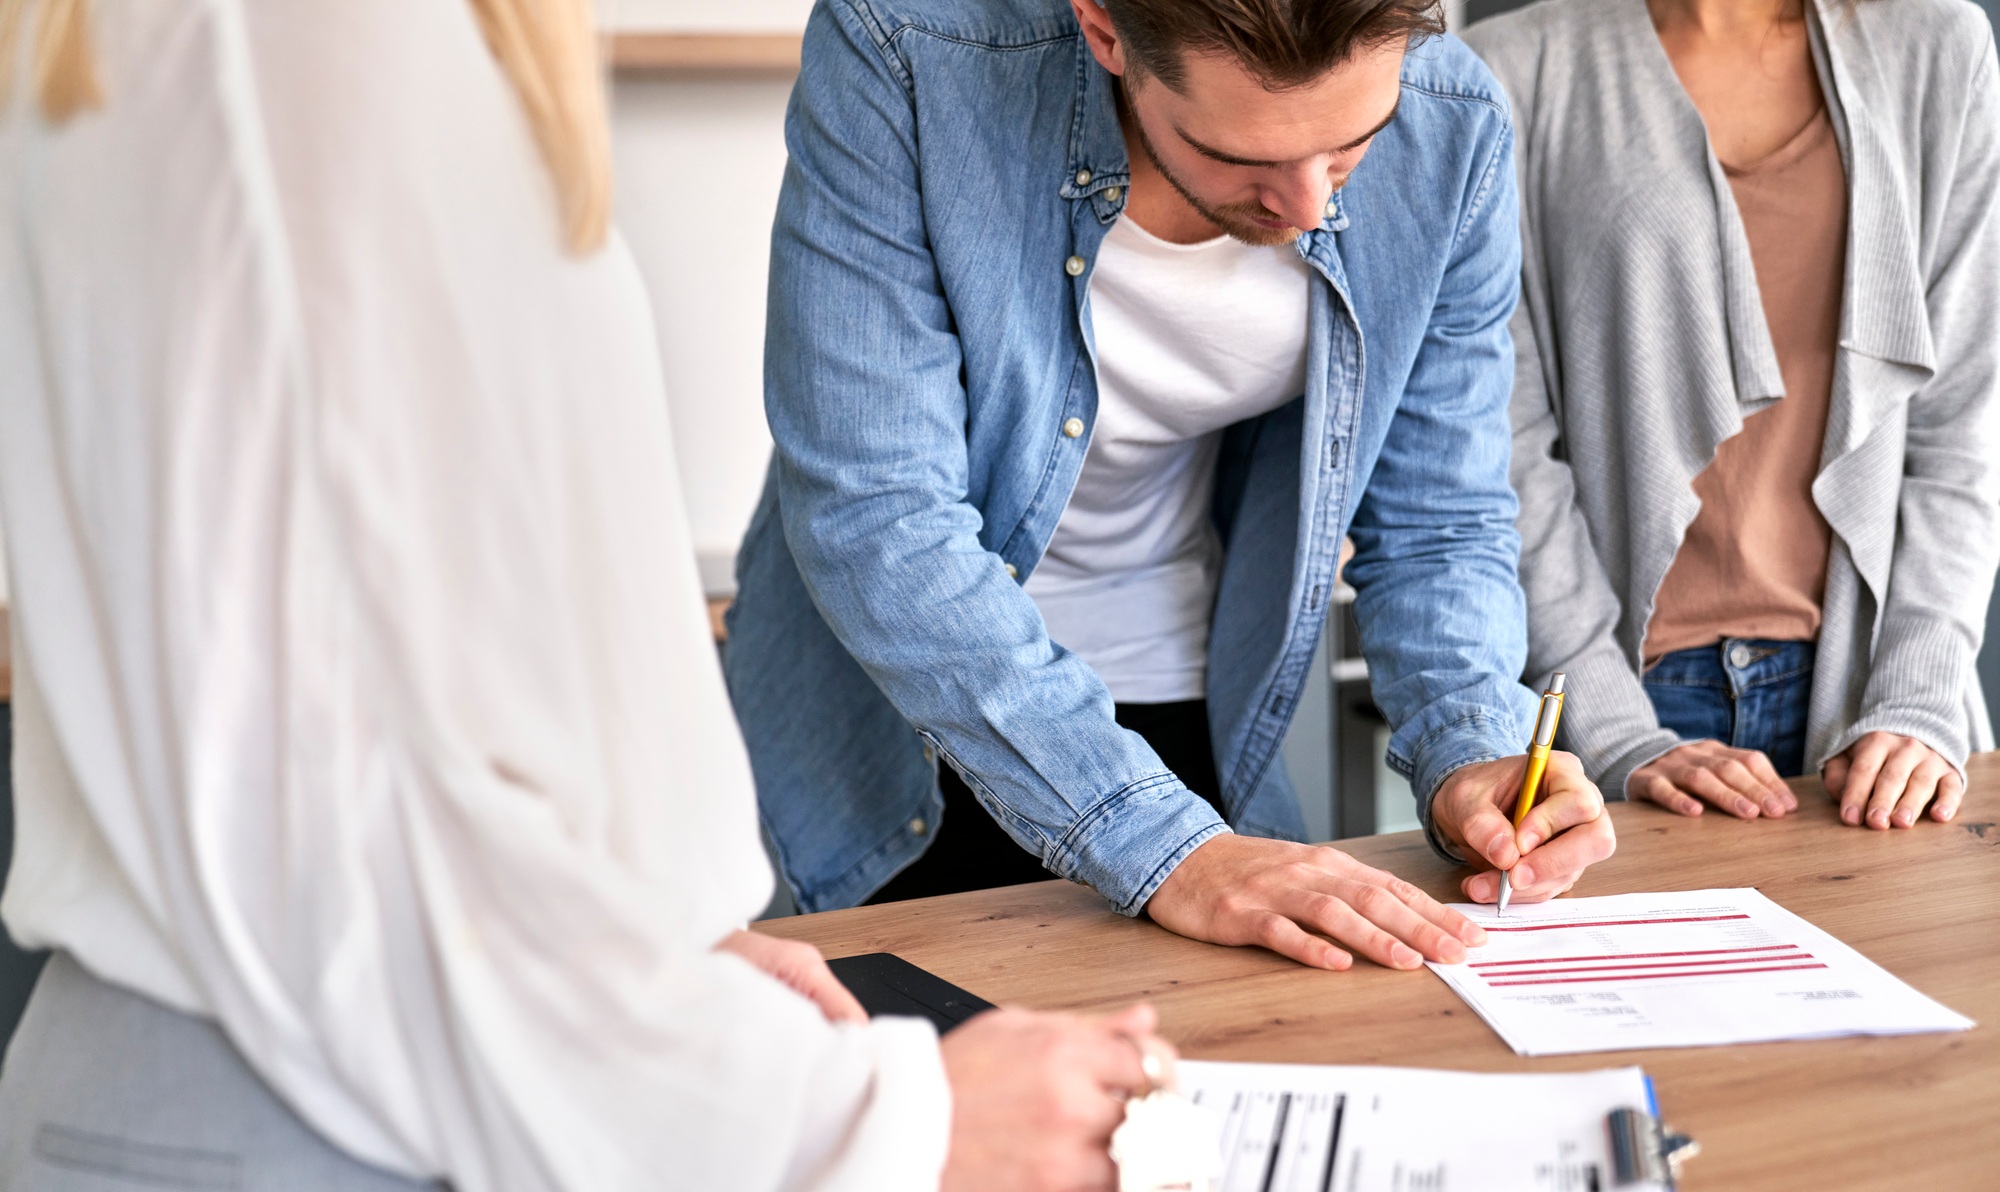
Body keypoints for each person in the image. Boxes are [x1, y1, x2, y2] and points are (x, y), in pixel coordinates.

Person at [0, 1, 1176, 1192]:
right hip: (364, 1162)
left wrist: (665, 939)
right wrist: (874, 1133)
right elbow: (365, 813)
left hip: (361, 1121)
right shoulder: (302, 33)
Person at [724, 0, 1618, 961]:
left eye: (1354, 143)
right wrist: (1163, 844)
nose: (1311, 207)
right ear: (1106, 30)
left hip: (1186, 688)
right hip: (892, 716)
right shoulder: (909, 48)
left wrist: (1474, 743)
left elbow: (1439, 516)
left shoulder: (1452, 120)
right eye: (1243, 159)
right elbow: (878, 516)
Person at [1467, 0, 2000, 832]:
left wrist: (1920, 700)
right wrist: (1611, 731)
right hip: (1619, 716)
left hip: (1873, 714)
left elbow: (1963, 422)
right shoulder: (1508, 69)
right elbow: (1505, 449)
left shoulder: (1938, 45)